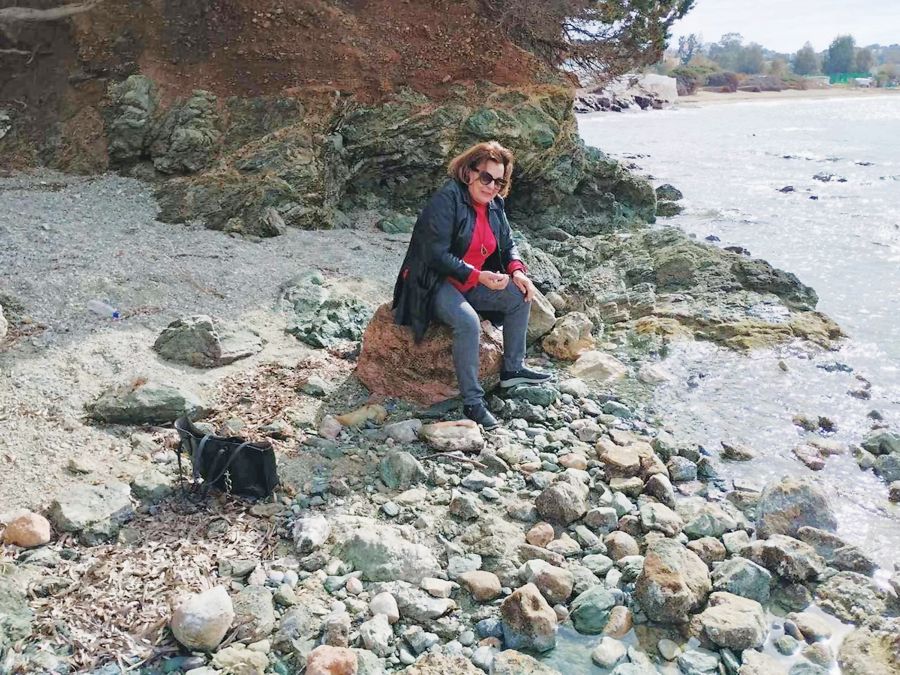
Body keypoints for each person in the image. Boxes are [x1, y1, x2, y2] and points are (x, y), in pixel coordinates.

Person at [392, 140, 550, 429]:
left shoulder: (495, 205)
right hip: (432, 281)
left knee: (520, 295)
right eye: (486, 177)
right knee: (467, 322)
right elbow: (435, 255)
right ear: (469, 172)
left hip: (470, 279)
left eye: (499, 182)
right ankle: (473, 402)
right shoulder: (446, 200)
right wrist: (478, 276)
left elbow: (508, 245)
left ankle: (512, 369)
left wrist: (517, 271)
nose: (492, 187)